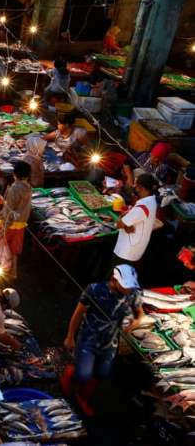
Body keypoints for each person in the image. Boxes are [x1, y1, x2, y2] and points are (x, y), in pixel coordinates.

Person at [62, 265, 144, 416]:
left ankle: (83, 397)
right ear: (114, 280)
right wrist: (70, 336)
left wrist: (135, 323)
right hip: (89, 338)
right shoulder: (94, 289)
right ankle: (71, 372)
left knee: (101, 373)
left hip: (110, 342)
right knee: (83, 374)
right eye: (125, 285)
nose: (128, 289)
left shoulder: (134, 293)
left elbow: (140, 314)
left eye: (130, 286)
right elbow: (78, 313)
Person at [0, 161, 32, 277]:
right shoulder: (28, 187)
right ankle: (13, 272)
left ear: (14, 174)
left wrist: (4, 228)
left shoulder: (14, 188)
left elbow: (9, 210)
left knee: (1, 247)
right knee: (14, 249)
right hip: (20, 224)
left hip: (9, 223)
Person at [113, 173, 158, 267]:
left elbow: (119, 224)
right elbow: (127, 223)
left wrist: (123, 223)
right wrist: (126, 226)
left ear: (141, 188)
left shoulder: (142, 208)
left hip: (126, 252)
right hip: (133, 249)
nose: (133, 186)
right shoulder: (151, 201)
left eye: (135, 184)